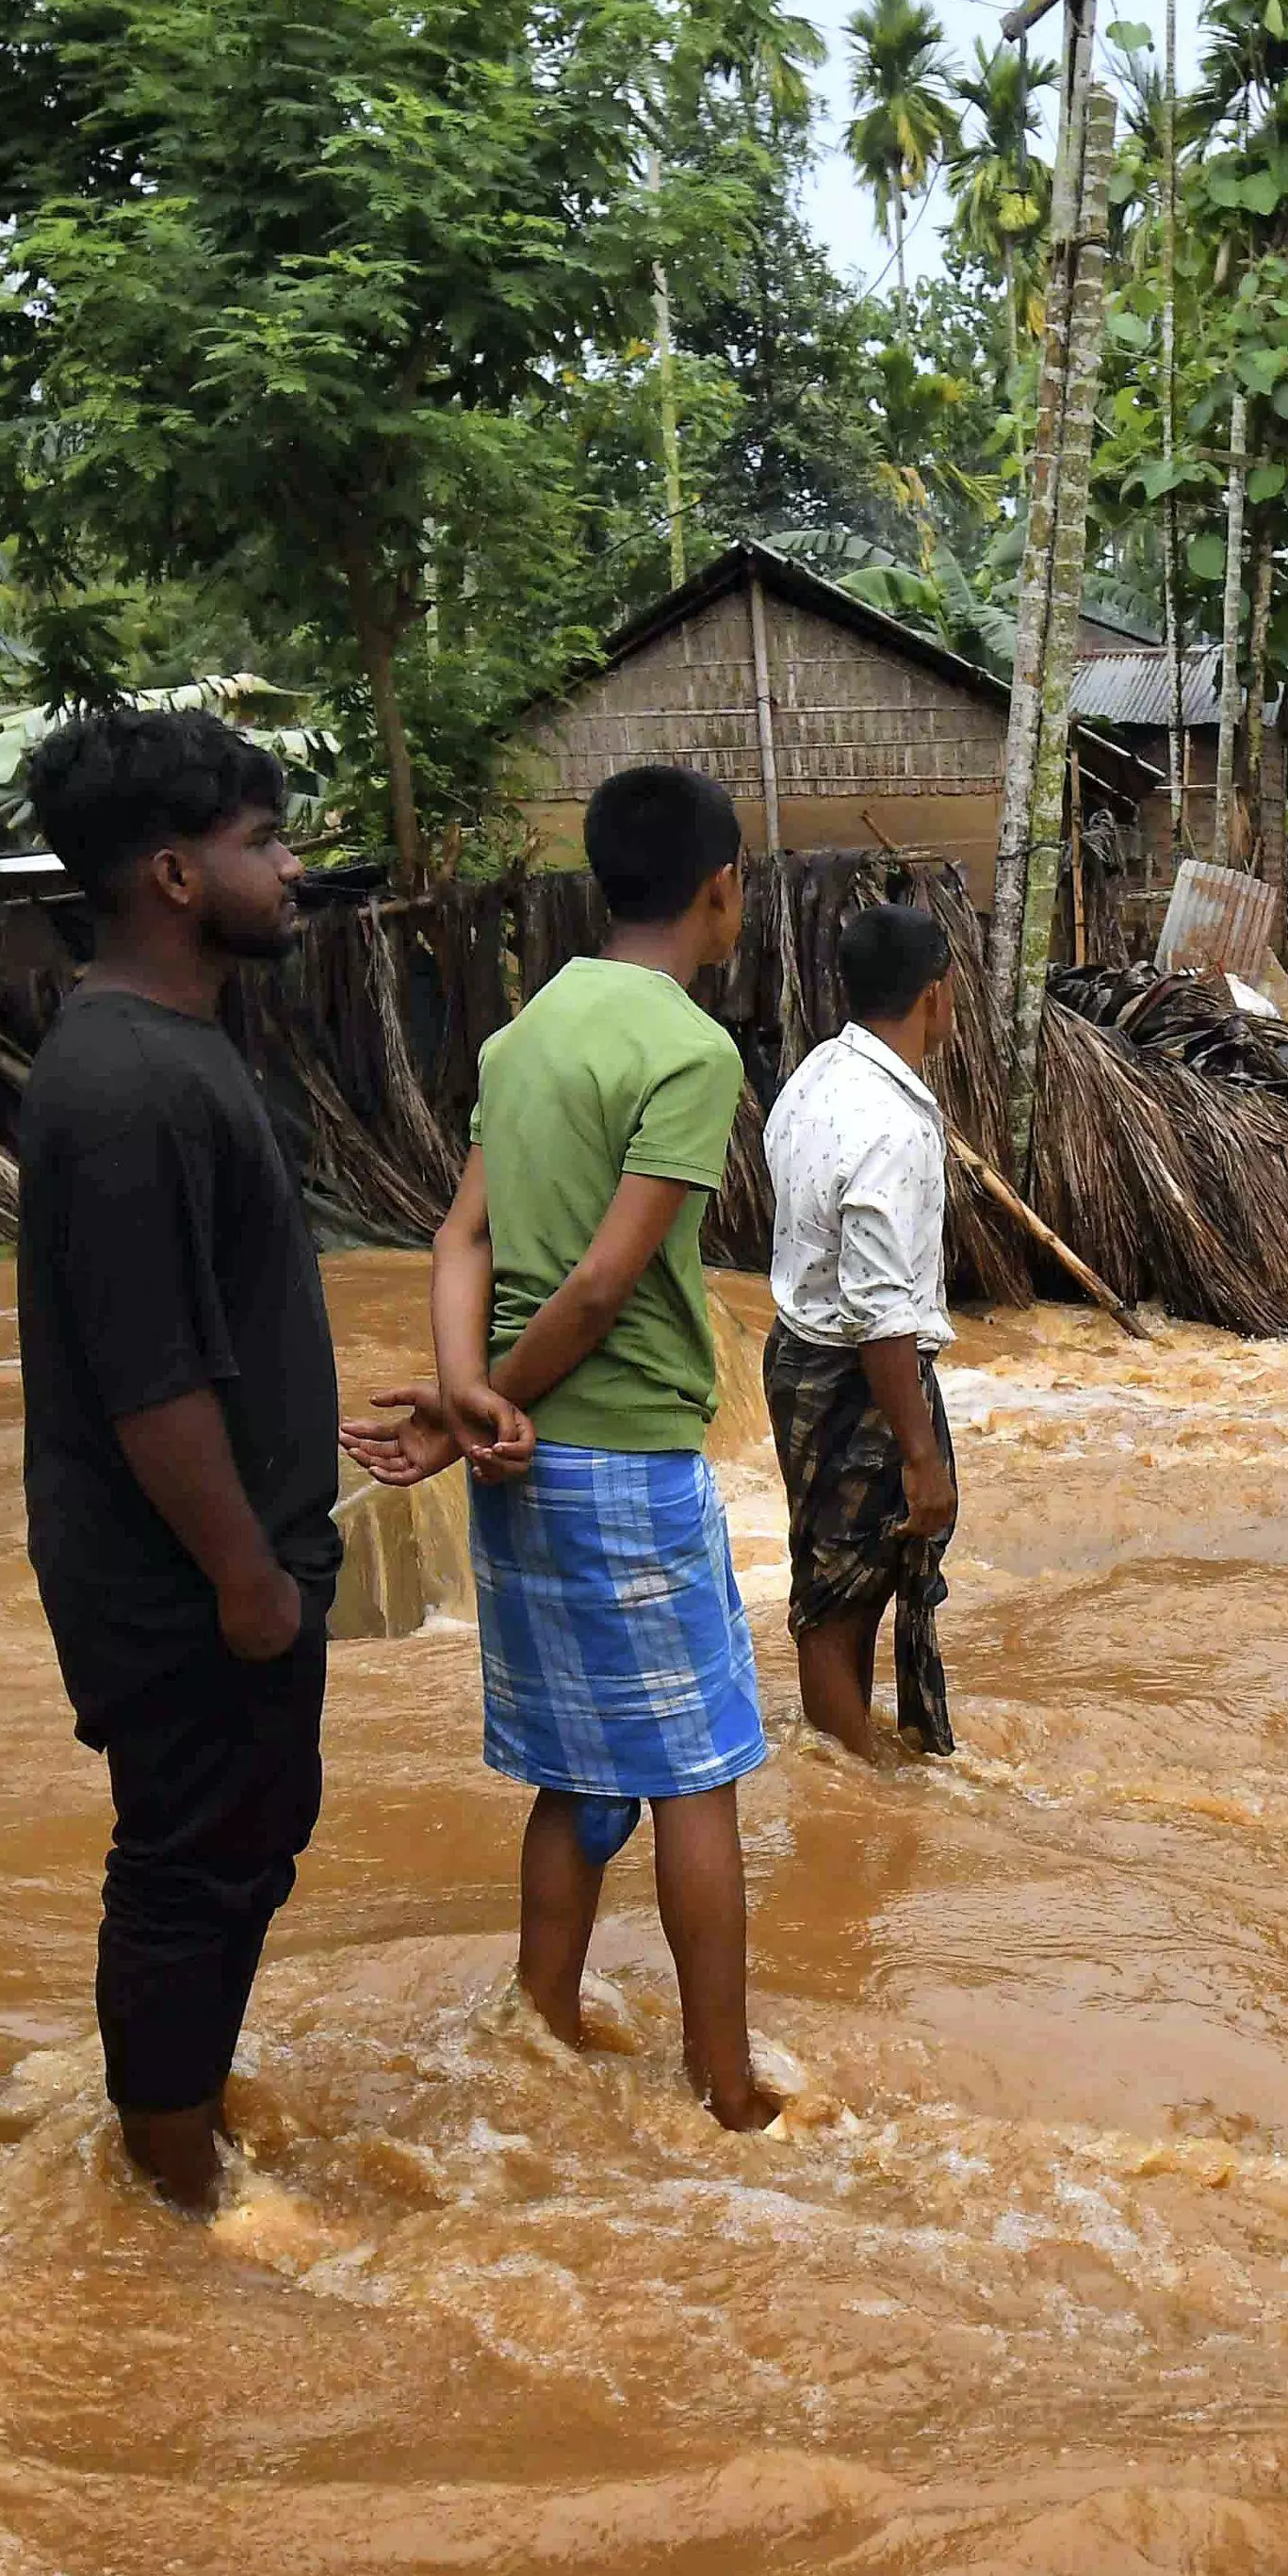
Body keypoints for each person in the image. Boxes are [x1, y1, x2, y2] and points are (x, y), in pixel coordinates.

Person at [399, 761, 777, 2129]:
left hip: (522, 1470)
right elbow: (603, 1288)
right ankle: (726, 2088)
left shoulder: (524, 1036)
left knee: (576, 1770)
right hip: (623, 1460)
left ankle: (544, 2032)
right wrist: (472, 1415)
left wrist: (466, 1403)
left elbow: (461, 1241)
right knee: (697, 1773)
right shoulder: (689, 1048)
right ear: (719, 891)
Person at [10, 706, 343, 2216]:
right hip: (186, 1583)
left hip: (217, 1559)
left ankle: (180, 2127)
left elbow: (208, 1330)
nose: (289, 870)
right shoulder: (128, 1086)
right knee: (191, 1864)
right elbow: (150, 1388)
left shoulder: (162, 1053)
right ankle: (168, 2194)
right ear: (172, 875)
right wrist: (247, 1578)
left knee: (235, 1846)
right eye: (262, 843)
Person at [759, 899, 964, 1763]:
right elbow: (882, 1312)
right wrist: (922, 1458)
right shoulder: (890, 1125)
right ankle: (858, 1781)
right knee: (846, 1597)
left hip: (801, 1353)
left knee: (832, 1581)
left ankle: (844, 1763)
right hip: (860, 1374)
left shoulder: (816, 1074)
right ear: (935, 996)